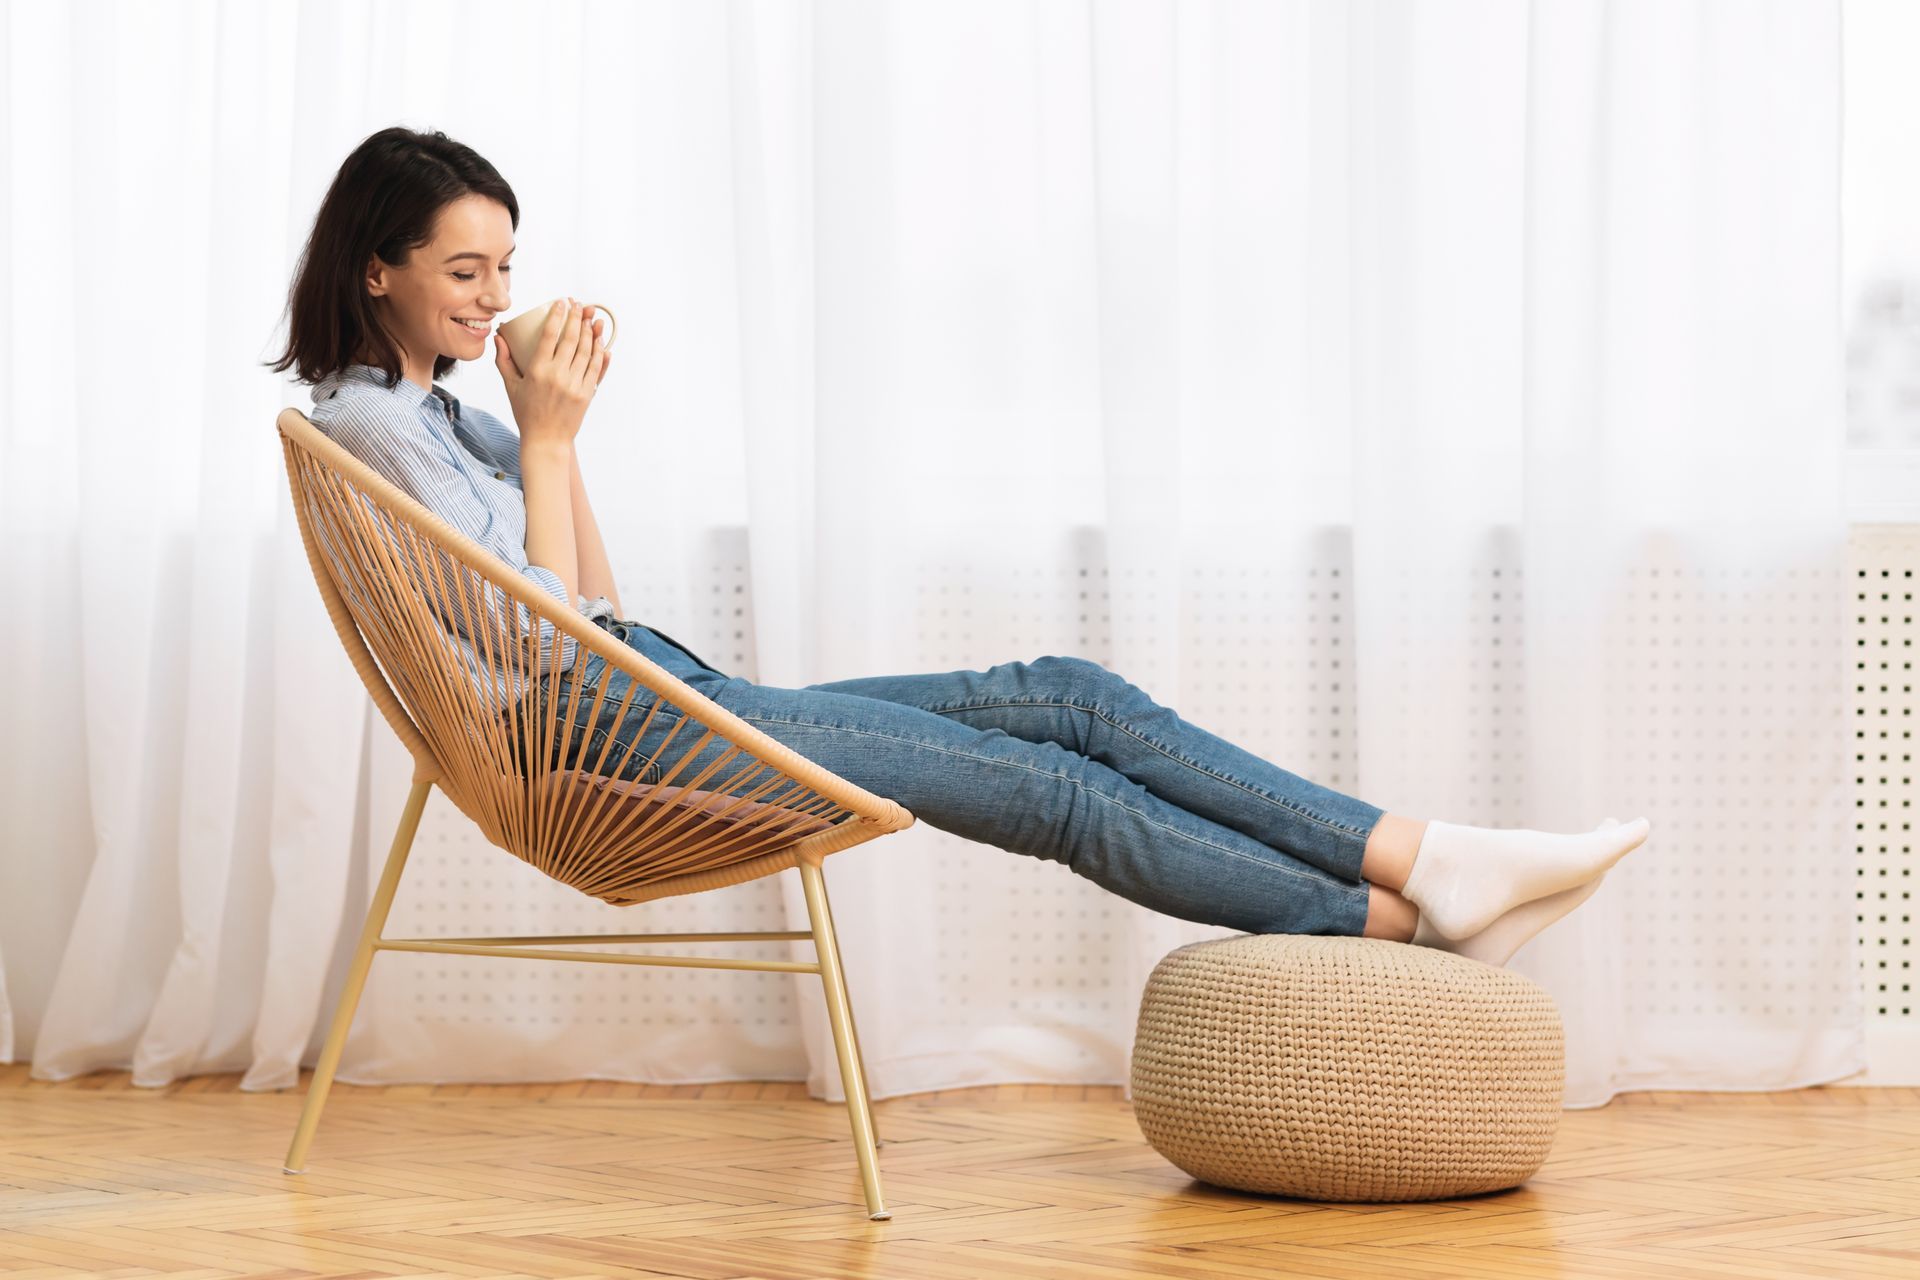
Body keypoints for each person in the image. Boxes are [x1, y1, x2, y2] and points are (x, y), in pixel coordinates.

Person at [268, 126, 1651, 970]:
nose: (496, 295)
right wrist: (555, 447)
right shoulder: (364, 431)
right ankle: (1396, 921)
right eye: (467, 272)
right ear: (375, 266)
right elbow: (539, 644)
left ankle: (1426, 853)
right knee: (1050, 788)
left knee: (1069, 692)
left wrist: (546, 432)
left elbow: (599, 609)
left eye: (506, 265)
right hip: (598, 740)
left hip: (644, 687)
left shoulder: (443, 417)